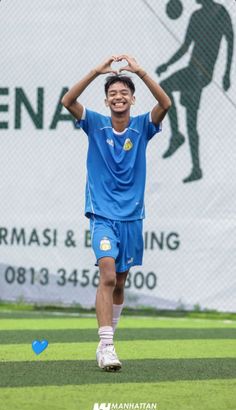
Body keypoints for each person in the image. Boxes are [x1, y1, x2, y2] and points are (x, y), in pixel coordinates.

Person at [61, 54, 171, 371]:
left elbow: (165, 103)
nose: (118, 96)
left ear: (132, 99)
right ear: (107, 100)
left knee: (120, 282)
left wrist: (140, 71)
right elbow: (68, 100)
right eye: (113, 93)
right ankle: (108, 346)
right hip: (102, 215)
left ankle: (105, 342)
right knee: (107, 273)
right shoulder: (95, 124)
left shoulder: (141, 127)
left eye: (124, 92)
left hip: (132, 217)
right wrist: (97, 70)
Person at [156, 0, 234, 183]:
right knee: (190, 120)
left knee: (167, 90)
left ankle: (176, 136)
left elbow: (231, 41)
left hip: (200, 74)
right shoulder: (196, 16)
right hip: (193, 71)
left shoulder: (220, 12)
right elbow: (185, 47)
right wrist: (167, 65)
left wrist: (227, 73)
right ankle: (196, 167)